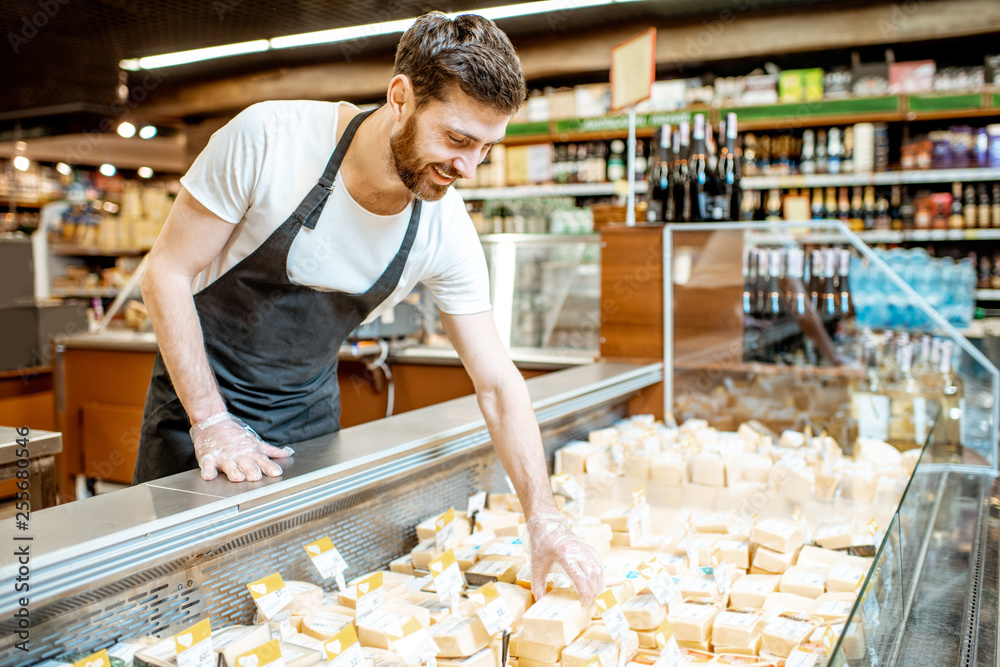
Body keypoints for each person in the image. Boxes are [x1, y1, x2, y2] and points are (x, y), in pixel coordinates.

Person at [134, 12, 602, 605]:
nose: (468, 169)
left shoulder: (444, 229)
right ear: (400, 97)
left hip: (307, 423)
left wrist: (544, 517)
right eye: (458, 139)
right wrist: (212, 422)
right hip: (195, 416)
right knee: (176, 603)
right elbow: (166, 274)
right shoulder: (269, 140)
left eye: (486, 148)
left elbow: (497, 384)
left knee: (292, 608)